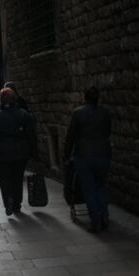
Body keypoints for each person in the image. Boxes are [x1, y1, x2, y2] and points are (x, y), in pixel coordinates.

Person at [0, 88, 37, 216]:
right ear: (14, 99)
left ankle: (8, 202)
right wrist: (34, 153)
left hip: (1, 154)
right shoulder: (23, 115)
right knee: (17, 179)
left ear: (0, 100)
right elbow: (31, 135)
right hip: (20, 153)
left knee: (4, 179)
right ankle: (17, 204)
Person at [63, 87, 111, 233]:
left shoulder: (78, 113)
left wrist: (66, 155)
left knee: (89, 189)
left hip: (84, 156)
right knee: (100, 186)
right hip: (103, 154)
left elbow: (71, 136)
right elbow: (108, 131)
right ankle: (104, 215)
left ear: (85, 98)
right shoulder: (105, 113)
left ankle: (96, 220)